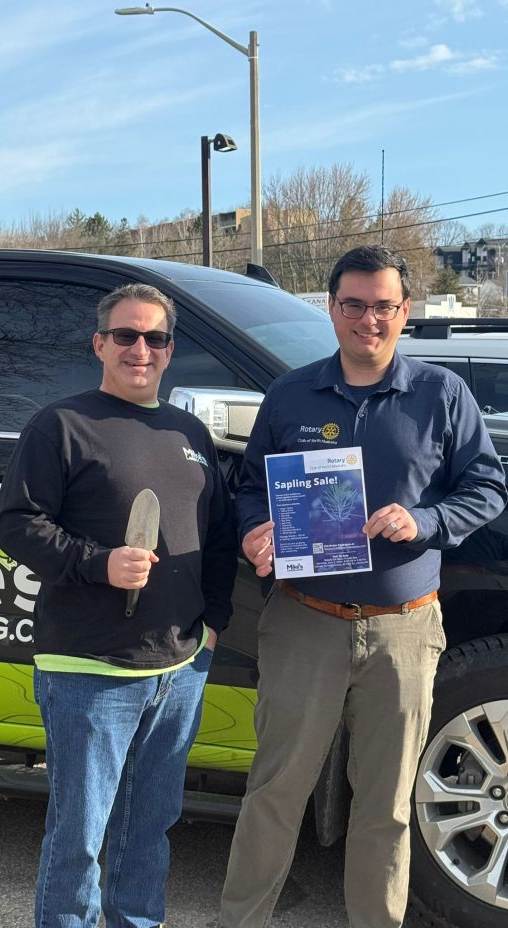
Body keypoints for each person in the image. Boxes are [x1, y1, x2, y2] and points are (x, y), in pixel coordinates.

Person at [219, 245, 507, 928]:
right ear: (332, 308)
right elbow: (251, 486)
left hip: (403, 629)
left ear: (404, 311)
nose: (367, 319)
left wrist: (426, 520)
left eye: (382, 306)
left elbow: (488, 487)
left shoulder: (442, 395)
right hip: (304, 621)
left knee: (385, 806)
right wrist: (255, 529)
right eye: (353, 304)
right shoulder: (291, 394)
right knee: (274, 793)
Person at [0, 282, 237, 928]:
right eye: (126, 335)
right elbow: (16, 525)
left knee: (147, 833)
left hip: (177, 670)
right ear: (99, 344)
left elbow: (218, 537)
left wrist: (213, 626)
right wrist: (97, 563)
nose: (141, 349)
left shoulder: (190, 433)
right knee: (79, 839)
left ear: (170, 350)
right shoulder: (61, 425)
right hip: (89, 670)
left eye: (155, 338)